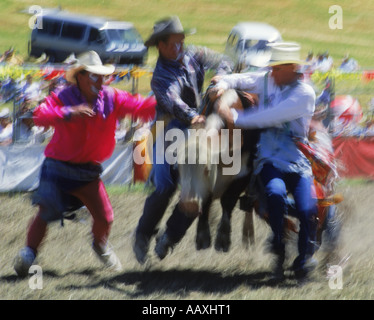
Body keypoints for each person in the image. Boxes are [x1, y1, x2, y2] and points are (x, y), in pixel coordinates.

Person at [13, 50, 156, 277]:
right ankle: (28, 254)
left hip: (88, 170)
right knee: (46, 212)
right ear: (80, 76)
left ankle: (100, 246)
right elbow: (40, 115)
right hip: (58, 168)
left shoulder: (112, 97)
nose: (100, 81)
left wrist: (163, 103)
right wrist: (69, 112)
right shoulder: (63, 96)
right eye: (94, 76)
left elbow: (139, 106)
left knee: (105, 217)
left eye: (102, 76)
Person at [210, 42, 318, 280]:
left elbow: (268, 116)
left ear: (291, 68)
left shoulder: (304, 94)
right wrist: (223, 83)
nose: (271, 72)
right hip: (269, 155)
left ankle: (303, 259)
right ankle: (279, 248)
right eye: (271, 68)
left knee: (307, 207)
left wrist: (234, 116)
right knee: (275, 192)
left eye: (276, 68)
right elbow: (242, 79)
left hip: (295, 155)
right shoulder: (270, 79)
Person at [133, 16, 231, 264]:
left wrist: (219, 80)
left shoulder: (194, 54)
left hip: (195, 127)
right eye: (175, 43)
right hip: (170, 130)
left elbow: (225, 61)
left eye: (181, 41)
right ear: (161, 46)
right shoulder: (160, 76)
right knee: (165, 185)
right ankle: (143, 235)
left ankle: (169, 237)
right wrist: (192, 116)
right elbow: (171, 100)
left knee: (197, 189)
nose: (180, 47)